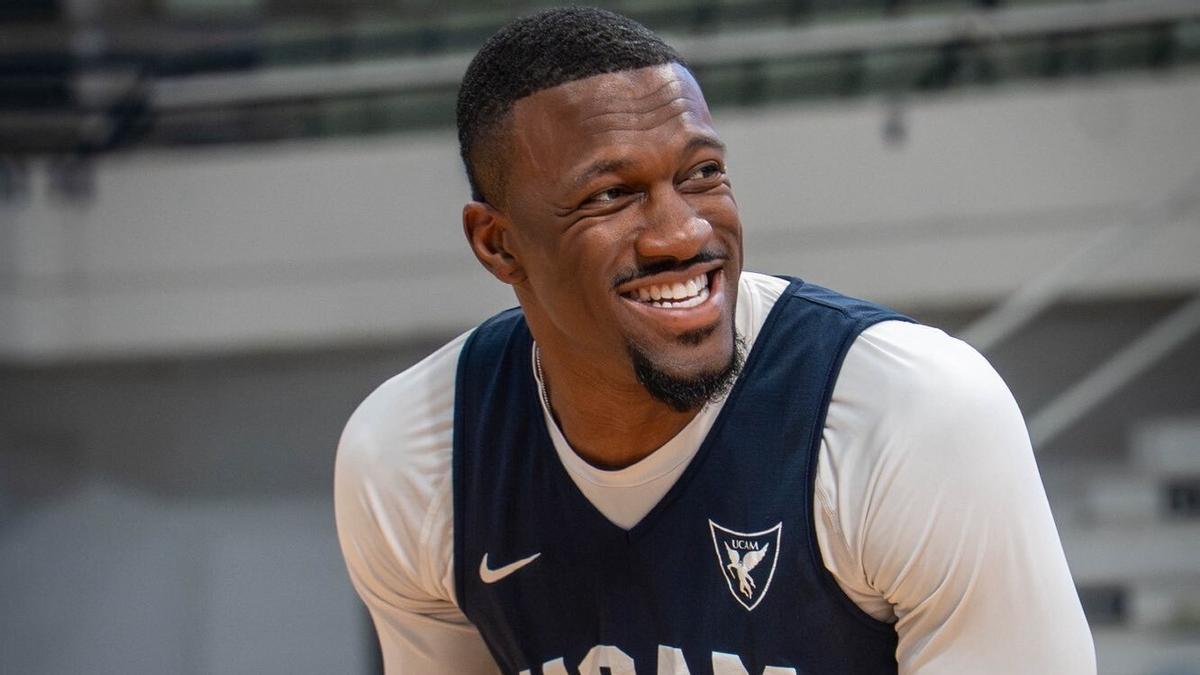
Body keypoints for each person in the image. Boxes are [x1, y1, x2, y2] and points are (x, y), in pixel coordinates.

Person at [334, 7, 1095, 674]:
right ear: (499, 244)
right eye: (610, 194)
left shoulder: (912, 412)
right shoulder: (416, 454)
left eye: (702, 174)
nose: (682, 233)